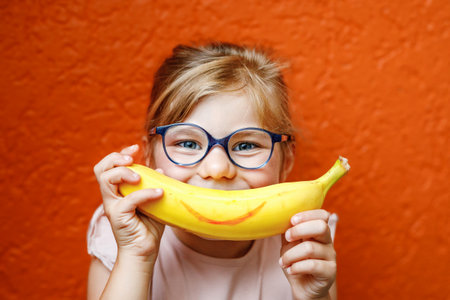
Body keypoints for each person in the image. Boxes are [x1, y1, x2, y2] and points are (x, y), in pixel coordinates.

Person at [87, 42, 338, 300]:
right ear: (149, 157)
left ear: (286, 162)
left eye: (246, 145)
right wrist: (135, 256)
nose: (217, 169)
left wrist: (314, 297)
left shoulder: (305, 244)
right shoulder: (121, 240)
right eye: (188, 143)